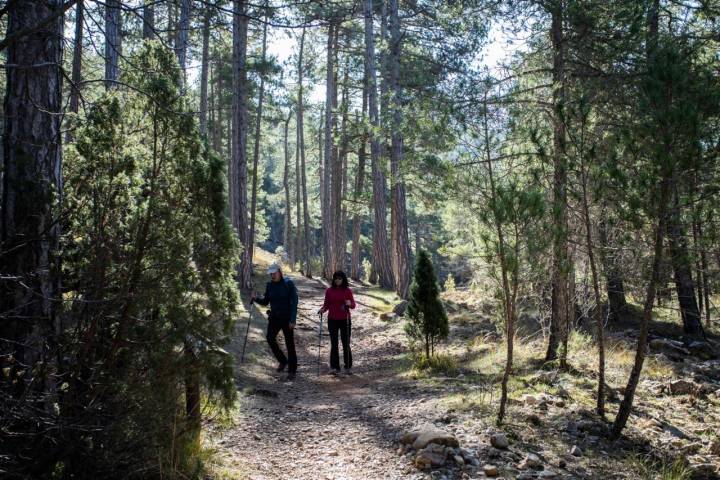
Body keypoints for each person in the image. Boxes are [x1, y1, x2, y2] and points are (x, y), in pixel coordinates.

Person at [252, 263, 298, 379]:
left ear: (280, 271)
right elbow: (266, 302)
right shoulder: (270, 285)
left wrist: (293, 319)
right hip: (274, 318)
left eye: (274, 273)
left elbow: (294, 302)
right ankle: (283, 361)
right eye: (271, 274)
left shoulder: (288, 284)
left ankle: (292, 369)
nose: (272, 275)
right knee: (270, 338)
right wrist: (255, 299)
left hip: (287, 318)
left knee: (289, 343)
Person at [318, 271, 355, 374]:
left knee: (345, 342)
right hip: (332, 320)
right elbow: (326, 305)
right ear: (333, 279)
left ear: (343, 280)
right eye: (336, 278)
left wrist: (349, 303)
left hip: (345, 319)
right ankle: (335, 367)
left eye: (339, 278)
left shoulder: (348, 291)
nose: (337, 280)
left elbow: (353, 305)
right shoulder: (329, 291)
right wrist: (322, 310)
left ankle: (348, 366)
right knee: (334, 343)